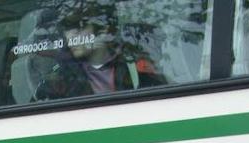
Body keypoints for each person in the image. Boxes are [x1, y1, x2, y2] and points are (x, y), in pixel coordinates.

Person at [34, 3, 164, 100]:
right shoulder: (59, 77)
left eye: (80, 27)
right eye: (68, 28)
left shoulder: (136, 67)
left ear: (103, 30)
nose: (70, 36)